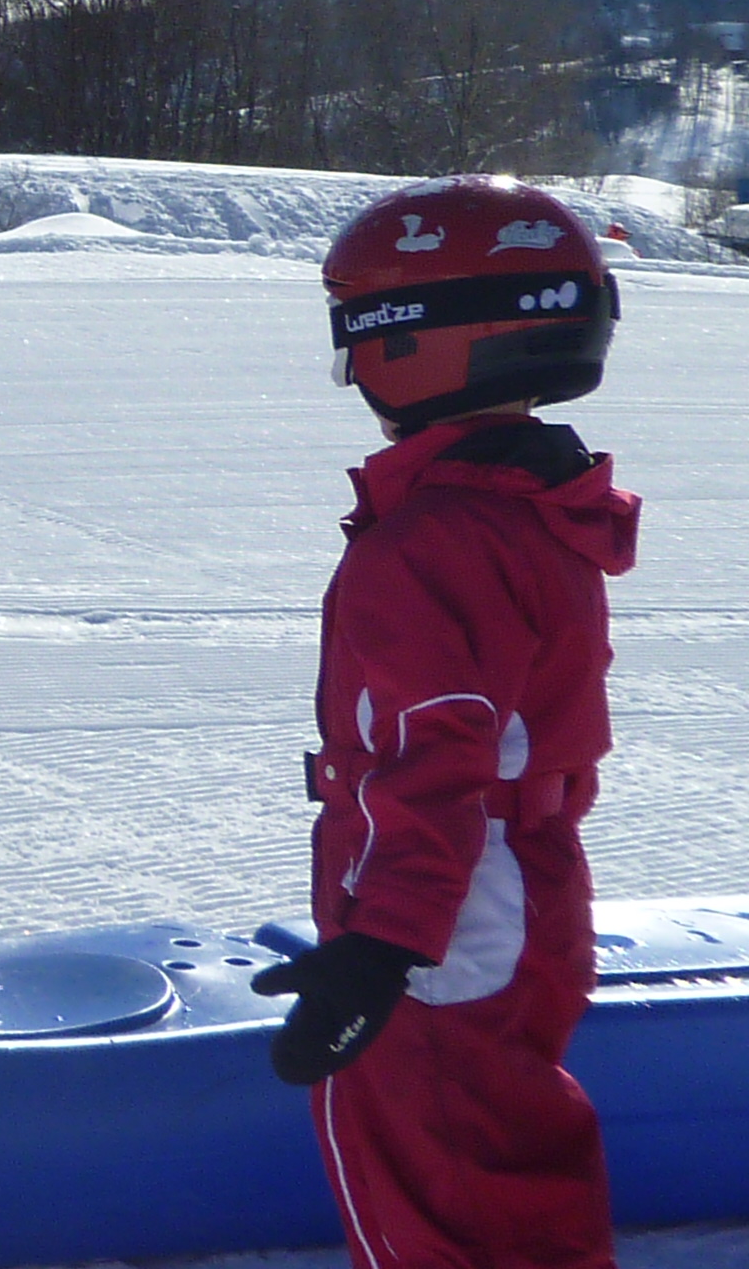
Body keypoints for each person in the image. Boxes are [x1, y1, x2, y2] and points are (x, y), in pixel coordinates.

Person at [256, 176, 637, 1269]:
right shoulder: (535, 504)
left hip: (454, 907)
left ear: (409, 341)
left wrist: (382, 946)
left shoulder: (429, 540)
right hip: (525, 880)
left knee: (439, 1189)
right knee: (508, 1166)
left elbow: (436, 755)